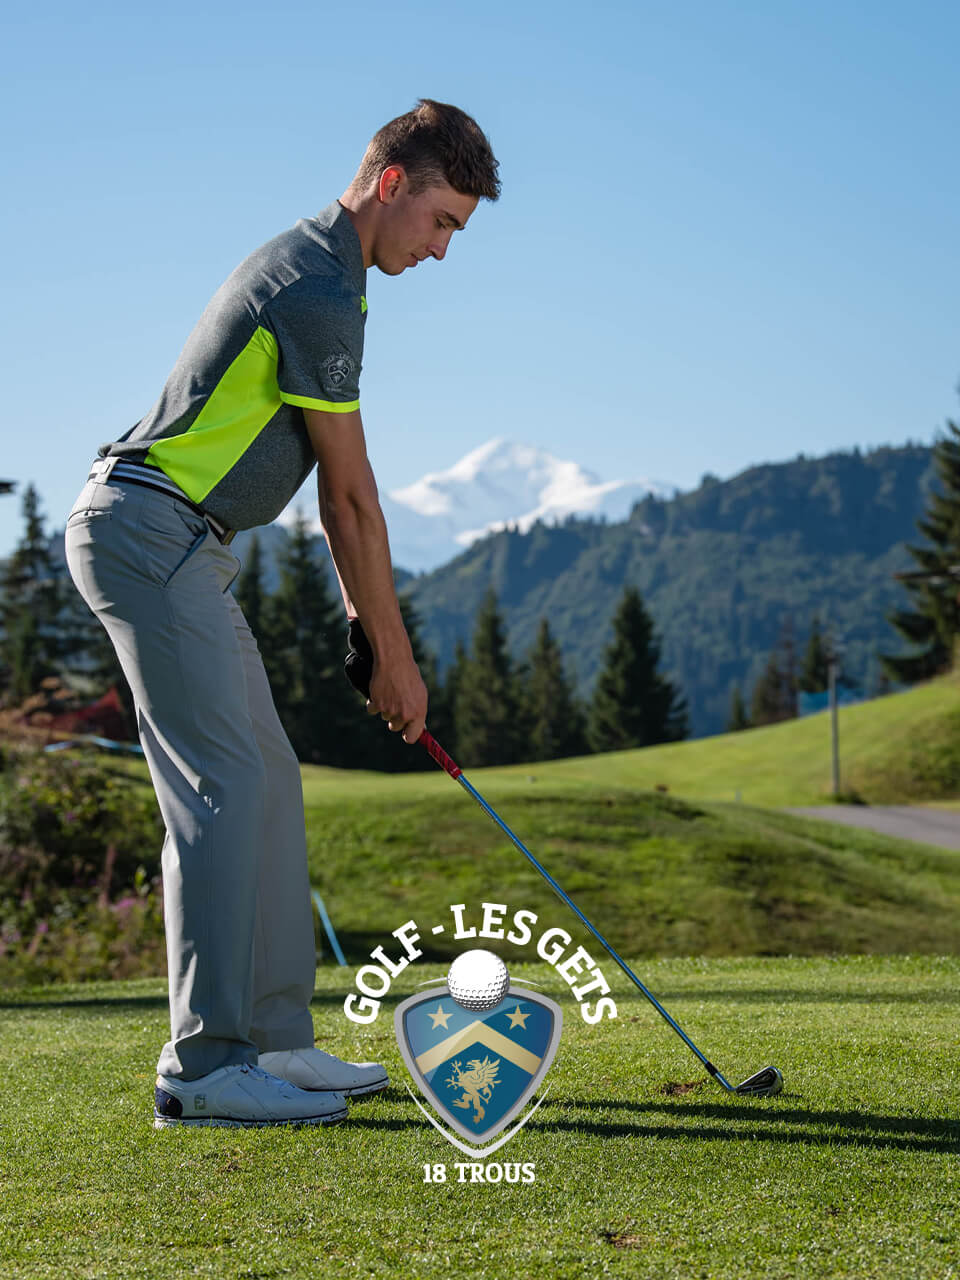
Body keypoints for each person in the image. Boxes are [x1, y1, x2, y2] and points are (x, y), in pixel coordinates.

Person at [64, 100, 500, 1129]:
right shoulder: (315, 287)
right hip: (148, 532)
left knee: (266, 777)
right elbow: (350, 496)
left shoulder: (327, 273)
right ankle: (206, 1064)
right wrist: (391, 655)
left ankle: (274, 1042)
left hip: (181, 544)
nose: (442, 252)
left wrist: (369, 628)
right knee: (226, 785)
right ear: (391, 182)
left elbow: (334, 495)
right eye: (441, 222)